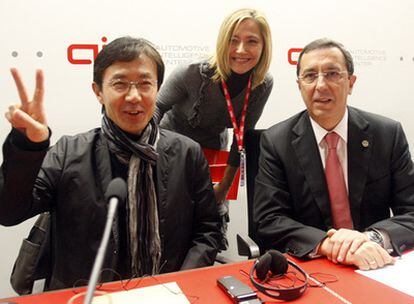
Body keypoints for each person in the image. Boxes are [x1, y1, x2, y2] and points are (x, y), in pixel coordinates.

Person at [0, 36, 221, 291]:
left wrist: (180, 283)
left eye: (144, 83)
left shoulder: (187, 152)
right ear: (98, 92)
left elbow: (208, 230)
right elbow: (9, 212)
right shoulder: (69, 152)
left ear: (157, 88)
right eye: (120, 84)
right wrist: (29, 146)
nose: (134, 96)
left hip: (165, 293)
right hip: (86, 292)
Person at [254, 38, 414, 271]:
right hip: (317, 266)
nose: (320, 85)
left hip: (377, 262)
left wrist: (372, 239)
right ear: (299, 85)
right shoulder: (276, 142)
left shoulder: (387, 134)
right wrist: (328, 244)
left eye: (332, 74)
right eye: (310, 76)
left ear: (350, 83)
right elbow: (268, 221)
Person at [154, 8, 273, 249]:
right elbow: (154, 110)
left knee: (211, 228)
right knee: (169, 231)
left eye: (252, 41)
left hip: (214, 158)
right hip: (171, 154)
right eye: (233, 41)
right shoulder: (192, 73)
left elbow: (242, 137)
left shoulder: (262, 83)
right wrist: (149, 162)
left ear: (264, 47)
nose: (241, 50)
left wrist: (224, 188)